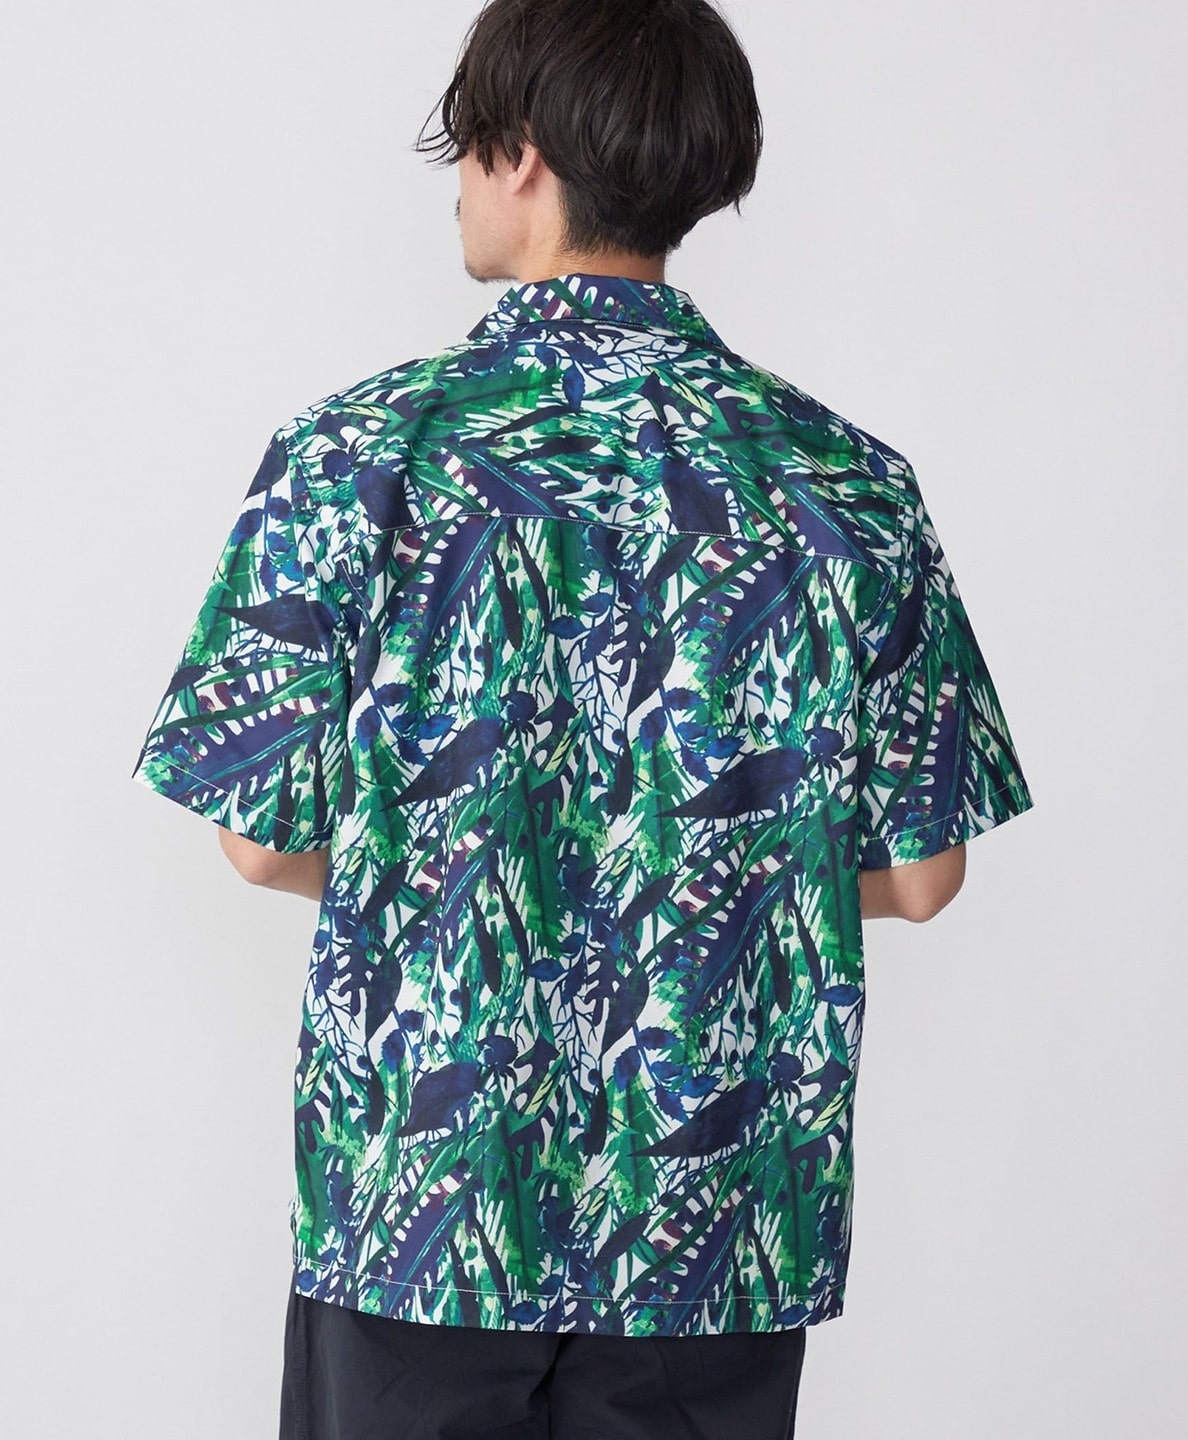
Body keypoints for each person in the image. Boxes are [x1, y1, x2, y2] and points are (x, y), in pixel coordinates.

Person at [129, 1, 1035, 1436]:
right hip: (715, 1233)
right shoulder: (846, 484)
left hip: (422, 1209)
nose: (459, 182)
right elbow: (923, 878)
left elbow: (257, 843)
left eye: (468, 145)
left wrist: (462, 865)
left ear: (525, 153)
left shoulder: (356, 456)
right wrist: (705, 878)